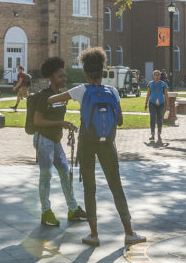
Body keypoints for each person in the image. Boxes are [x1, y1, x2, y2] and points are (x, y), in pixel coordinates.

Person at [47, 47, 145, 247]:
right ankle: (129, 232)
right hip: (108, 144)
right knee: (116, 186)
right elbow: (119, 121)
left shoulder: (80, 90)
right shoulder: (113, 91)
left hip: (87, 143)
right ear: (102, 72)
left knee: (89, 188)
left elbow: (51, 99)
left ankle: (93, 234)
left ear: (86, 72)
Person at [28, 56, 86, 226]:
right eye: (60, 76)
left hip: (55, 140)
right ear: (51, 77)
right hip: (43, 140)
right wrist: (61, 123)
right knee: (46, 176)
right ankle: (46, 212)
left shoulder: (61, 96)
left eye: (64, 76)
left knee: (65, 173)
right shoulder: (43, 96)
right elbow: (38, 121)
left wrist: (65, 125)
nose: (64, 79)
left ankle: (73, 209)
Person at [144, 70, 168, 143]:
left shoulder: (163, 84)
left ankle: (159, 134)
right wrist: (146, 103)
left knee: (160, 119)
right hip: (152, 103)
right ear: (153, 76)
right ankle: (152, 134)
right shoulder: (150, 84)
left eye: (158, 75)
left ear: (160, 76)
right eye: (155, 75)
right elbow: (148, 94)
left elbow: (166, 95)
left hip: (161, 103)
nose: (157, 76)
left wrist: (168, 105)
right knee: (152, 118)